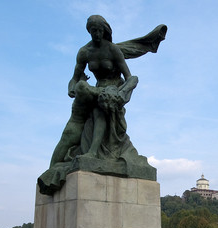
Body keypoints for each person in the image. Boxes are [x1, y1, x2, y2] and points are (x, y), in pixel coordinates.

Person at [38, 16, 166, 195]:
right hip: (95, 91)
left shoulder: (112, 50)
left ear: (105, 31)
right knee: (69, 133)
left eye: (99, 31)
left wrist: (121, 94)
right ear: (89, 31)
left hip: (113, 91)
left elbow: (130, 78)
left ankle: (92, 152)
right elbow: (74, 79)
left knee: (100, 109)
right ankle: (52, 169)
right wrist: (71, 88)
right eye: (93, 31)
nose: (97, 34)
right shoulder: (84, 52)